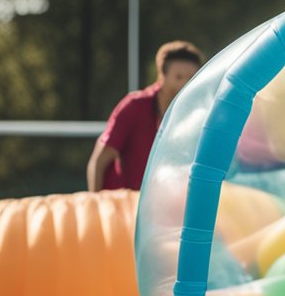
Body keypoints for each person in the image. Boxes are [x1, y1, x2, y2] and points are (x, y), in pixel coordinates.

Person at [87, 40, 205, 191]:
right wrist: (95, 204)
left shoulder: (198, 114)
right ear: (161, 76)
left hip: (163, 205)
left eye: (191, 78)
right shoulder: (134, 106)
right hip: (119, 204)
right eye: (178, 77)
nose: (184, 85)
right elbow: (98, 161)